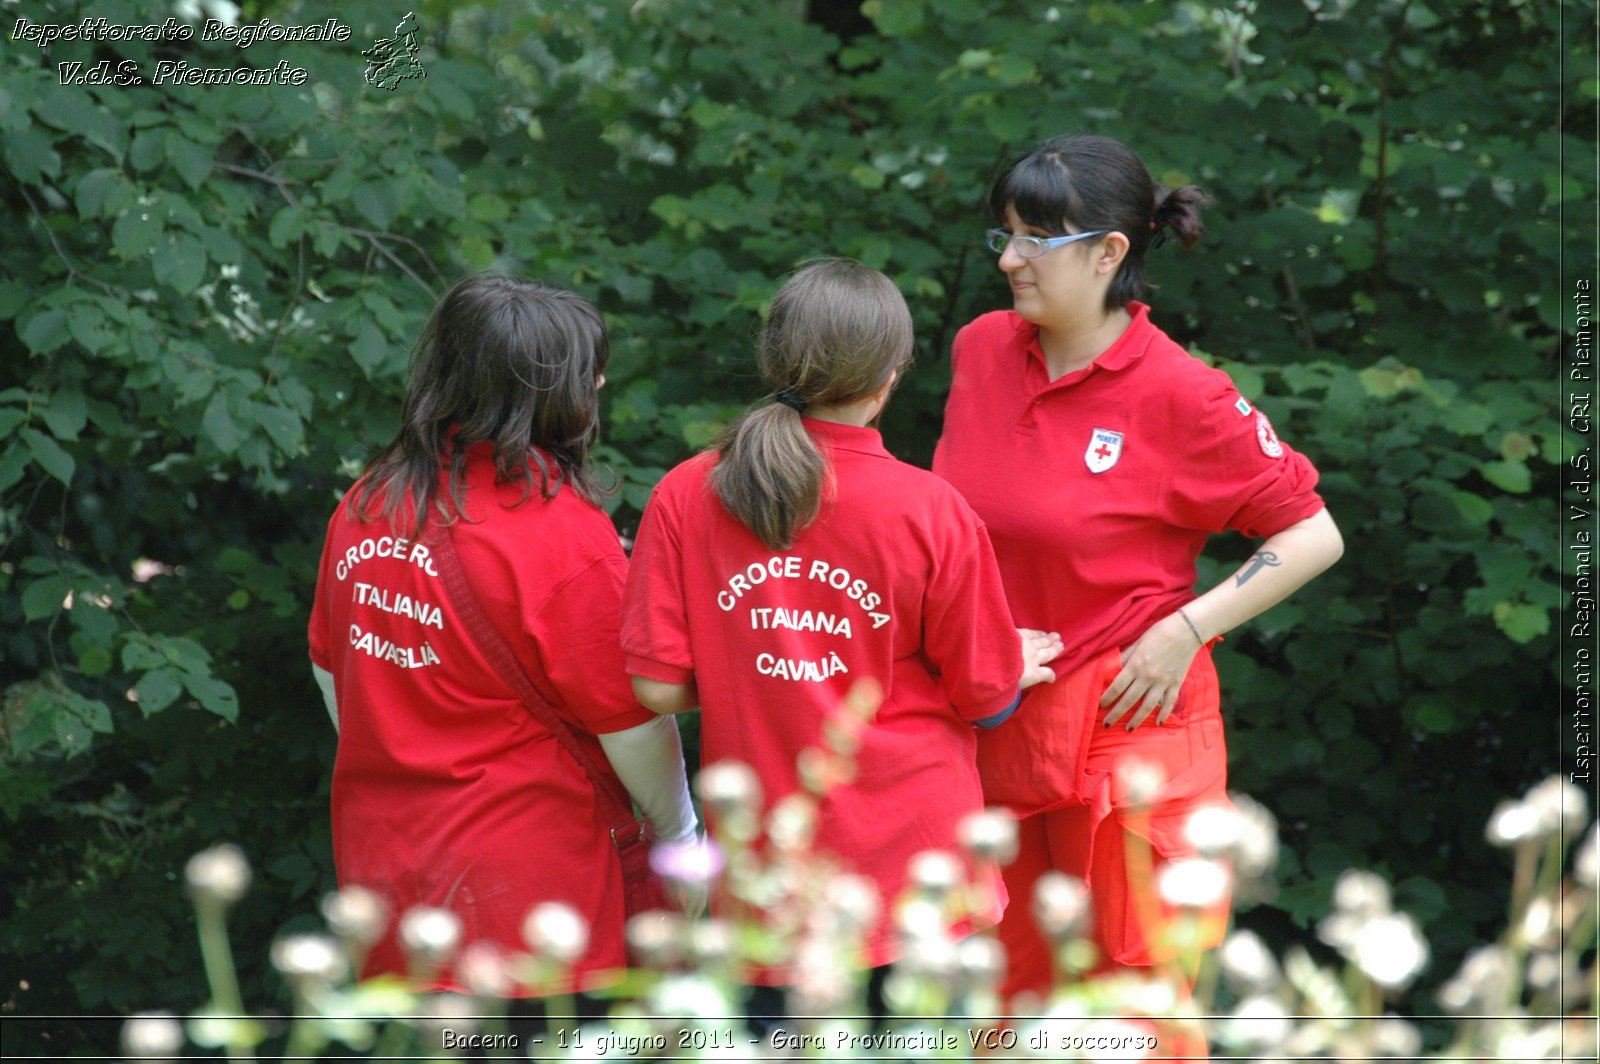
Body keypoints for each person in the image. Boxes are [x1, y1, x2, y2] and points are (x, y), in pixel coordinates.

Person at [932, 134, 1344, 1003]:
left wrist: (1187, 629)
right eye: (1001, 237)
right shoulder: (979, 351)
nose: (1008, 260)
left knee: (1132, 1020)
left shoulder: (1184, 394)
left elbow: (1313, 535)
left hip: (1132, 735)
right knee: (1003, 1016)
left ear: (1110, 252)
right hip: (997, 729)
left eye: (1033, 240)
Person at [620, 259, 1062, 1010]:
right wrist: (1011, 664)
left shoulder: (688, 492)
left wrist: (750, 666)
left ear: (776, 357)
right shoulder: (929, 509)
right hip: (919, 887)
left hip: (770, 896)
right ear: (892, 373)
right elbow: (984, 698)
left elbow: (657, 683)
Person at [307, 273, 698, 996]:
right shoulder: (559, 535)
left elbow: (333, 674)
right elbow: (631, 723)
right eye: (589, 373)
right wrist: (681, 838)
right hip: (534, 904)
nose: (601, 381)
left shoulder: (366, 504)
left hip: (390, 887)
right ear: (551, 394)